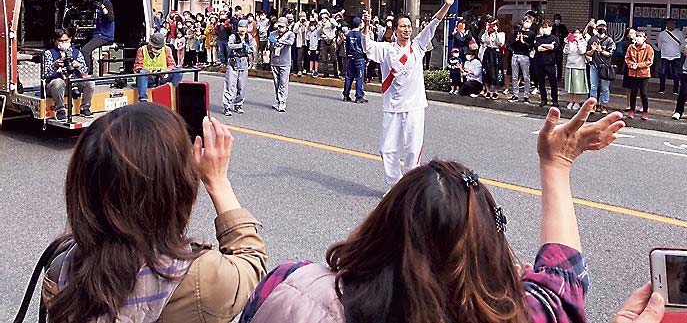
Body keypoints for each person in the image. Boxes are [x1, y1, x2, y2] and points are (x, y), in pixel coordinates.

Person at [240, 99, 648, 323]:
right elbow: (562, 283)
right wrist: (556, 166)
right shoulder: (517, 313)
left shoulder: (290, 285)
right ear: (487, 244)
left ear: (383, 223)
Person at [41, 105, 267, 323]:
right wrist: (218, 183)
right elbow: (251, 265)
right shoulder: (199, 279)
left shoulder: (62, 266)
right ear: (175, 189)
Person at [361, 0, 458, 187]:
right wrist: (366, 26)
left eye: (408, 26)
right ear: (395, 29)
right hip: (392, 107)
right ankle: (395, 186)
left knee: (413, 150)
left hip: (414, 106)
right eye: (402, 26)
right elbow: (367, 47)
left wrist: (446, 6)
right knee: (387, 149)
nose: (406, 29)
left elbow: (433, 25)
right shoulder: (386, 50)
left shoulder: (418, 46)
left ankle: (410, 188)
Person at [42, 29, 94, 121]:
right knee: (58, 82)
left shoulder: (76, 53)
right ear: (55, 41)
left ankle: (85, 108)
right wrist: (55, 65)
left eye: (66, 40)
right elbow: (45, 74)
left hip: (73, 84)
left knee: (89, 81)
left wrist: (78, 65)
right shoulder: (49, 53)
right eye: (60, 41)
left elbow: (85, 71)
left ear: (70, 39)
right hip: (56, 87)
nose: (63, 43)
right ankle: (60, 110)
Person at [132, 33, 182, 102]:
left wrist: (166, 71)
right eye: (156, 47)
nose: (158, 49)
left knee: (178, 71)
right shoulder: (142, 50)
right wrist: (150, 72)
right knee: (142, 73)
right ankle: (143, 99)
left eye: (159, 47)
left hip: (162, 76)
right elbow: (138, 66)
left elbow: (172, 64)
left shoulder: (167, 49)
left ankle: (173, 93)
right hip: (149, 78)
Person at [80, 0, 115, 75]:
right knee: (80, 46)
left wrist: (103, 8)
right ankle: (89, 70)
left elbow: (111, 18)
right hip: (97, 33)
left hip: (105, 35)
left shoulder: (106, 3)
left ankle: (86, 73)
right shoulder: (94, 3)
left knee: (85, 50)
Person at [223, 19, 252, 117]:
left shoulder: (249, 37)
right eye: (240, 27)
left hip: (244, 63)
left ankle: (238, 104)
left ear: (247, 28)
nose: (242, 29)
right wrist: (241, 45)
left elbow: (253, 48)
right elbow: (230, 46)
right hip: (233, 63)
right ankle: (227, 106)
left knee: (241, 86)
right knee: (230, 85)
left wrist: (249, 50)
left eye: (244, 27)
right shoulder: (233, 36)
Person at [586, 20, 615, 113]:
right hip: (594, 65)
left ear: (606, 28)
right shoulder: (592, 39)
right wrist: (593, 50)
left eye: (603, 26)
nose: (601, 28)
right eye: (599, 26)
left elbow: (610, 54)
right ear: (596, 27)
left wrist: (600, 50)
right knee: (593, 86)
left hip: (605, 67)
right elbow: (587, 53)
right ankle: (593, 105)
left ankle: (604, 105)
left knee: (605, 87)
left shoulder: (609, 40)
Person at [625, 31, 655, 120]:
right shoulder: (631, 47)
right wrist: (631, 64)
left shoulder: (648, 48)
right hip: (633, 74)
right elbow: (627, 58)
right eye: (637, 36)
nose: (638, 37)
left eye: (641, 36)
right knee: (633, 92)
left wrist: (638, 65)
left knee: (643, 93)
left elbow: (649, 61)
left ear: (645, 38)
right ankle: (632, 110)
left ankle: (645, 111)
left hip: (644, 74)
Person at [269, 18, 296, 113]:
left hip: (285, 61)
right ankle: (278, 100)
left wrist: (279, 41)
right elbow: (269, 47)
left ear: (286, 26)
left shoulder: (290, 34)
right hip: (274, 60)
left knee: (283, 82)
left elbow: (290, 43)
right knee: (276, 82)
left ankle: (282, 102)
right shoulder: (273, 33)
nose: (280, 28)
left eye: (282, 26)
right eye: (278, 26)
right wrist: (272, 43)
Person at [533, 19, 561, 108]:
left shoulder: (555, 38)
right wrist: (548, 46)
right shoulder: (538, 38)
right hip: (539, 63)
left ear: (551, 28)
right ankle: (543, 99)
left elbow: (554, 47)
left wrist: (544, 45)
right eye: (543, 27)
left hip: (550, 63)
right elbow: (538, 48)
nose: (544, 29)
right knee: (541, 82)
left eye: (546, 27)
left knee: (553, 83)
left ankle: (555, 100)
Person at [508, 16, 535, 103]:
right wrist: (516, 40)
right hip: (516, 54)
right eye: (526, 21)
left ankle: (526, 96)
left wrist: (523, 41)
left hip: (525, 56)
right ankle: (515, 95)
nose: (527, 24)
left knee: (526, 76)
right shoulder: (517, 31)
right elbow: (511, 44)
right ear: (523, 22)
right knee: (515, 77)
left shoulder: (531, 34)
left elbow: (530, 46)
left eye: (530, 22)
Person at [343, 17, 368, 103]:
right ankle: (359, 96)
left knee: (349, 77)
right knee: (359, 77)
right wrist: (366, 58)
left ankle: (346, 95)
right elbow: (364, 47)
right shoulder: (361, 35)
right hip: (359, 58)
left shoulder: (348, 34)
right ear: (360, 24)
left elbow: (346, 47)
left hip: (350, 57)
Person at [656, 18, 683, 94]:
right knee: (663, 73)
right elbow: (660, 45)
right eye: (668, 23)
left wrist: (678, 51)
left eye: (672, 23)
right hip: (665, 56)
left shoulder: (679, 33)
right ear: (666, 24)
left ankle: (676, 90)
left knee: (676, 74)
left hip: (676, 56)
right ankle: (662, 89)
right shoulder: (662, 34)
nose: (670, 25)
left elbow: (683, 44)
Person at [480, 19, 505, 100]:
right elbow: (484, 41)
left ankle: (495, 91)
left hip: (496, 53)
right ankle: (488, 90)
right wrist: (487, 31)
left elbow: (500, 43)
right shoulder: (487, 33)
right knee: (486, 71)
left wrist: (496, 32)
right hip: (488, 52)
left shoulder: (501, 33)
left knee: (497, 72)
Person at [564, 29, 588, 110]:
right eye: (575, 33)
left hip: (579, 66)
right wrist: (567, 43)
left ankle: (577, 102)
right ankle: (570, 101)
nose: (576, 34)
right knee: (570, 86)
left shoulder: (583, 42)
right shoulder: (570, 42)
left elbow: (582, 51)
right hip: (570, 65)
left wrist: (578, 42)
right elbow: (566, 51)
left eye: (578, 33)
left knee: (578, 86)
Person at [617, 28, 637, 112]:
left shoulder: (640, 43)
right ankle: (628, 104)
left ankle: (637, 105)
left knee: (638, 88)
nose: (633, 35)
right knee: (628, 87)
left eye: (634, 33)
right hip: (628, 67)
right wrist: (632, 41)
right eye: (631, 33)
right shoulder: (626, 44)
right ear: (628, 35)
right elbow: (625, 48)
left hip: (638, 68)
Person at [318, 9, 339, 78]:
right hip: (324, 41)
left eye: (325, 13)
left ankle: (336, 72)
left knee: (334, 58)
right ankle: (325, 72)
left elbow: (336, 25)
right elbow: (318, 32)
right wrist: (322, 26)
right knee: (324, 58)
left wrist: (329, 19)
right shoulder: (320, 23)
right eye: (322, 14)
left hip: (332, 40)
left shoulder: (331, 20)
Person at [551, 14, 569, 80]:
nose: (557, 20)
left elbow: (566, 35)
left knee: (559, 63)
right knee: (552, 62)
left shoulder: (563, 27)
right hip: (553, 47)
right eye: (556, 19)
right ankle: (552, 75)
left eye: (558, 19)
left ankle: (559, 76)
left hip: (560, 47)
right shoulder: (553, 27)